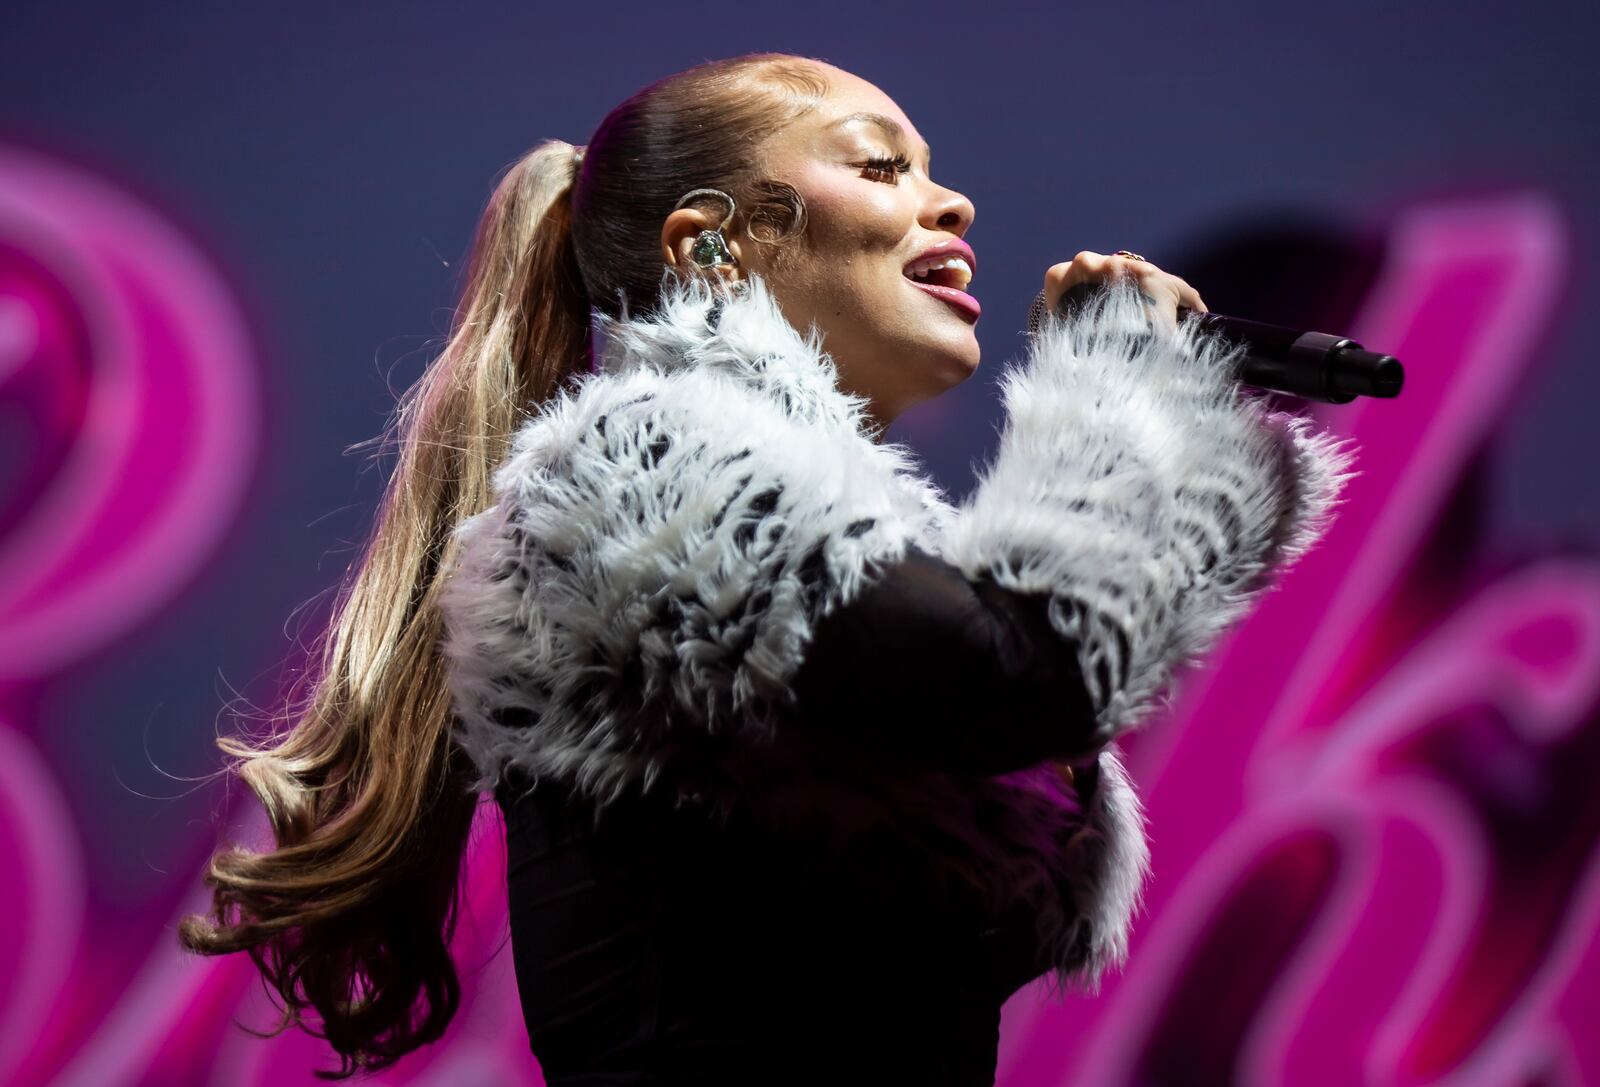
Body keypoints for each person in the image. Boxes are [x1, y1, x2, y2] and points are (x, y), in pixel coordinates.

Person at [180, 52, 1357, 1084]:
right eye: (881, 167)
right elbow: (1015, 674)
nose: (952, 201)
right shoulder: (643, 459)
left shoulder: (797, 527)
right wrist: (1116, 392)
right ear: (714, 244)